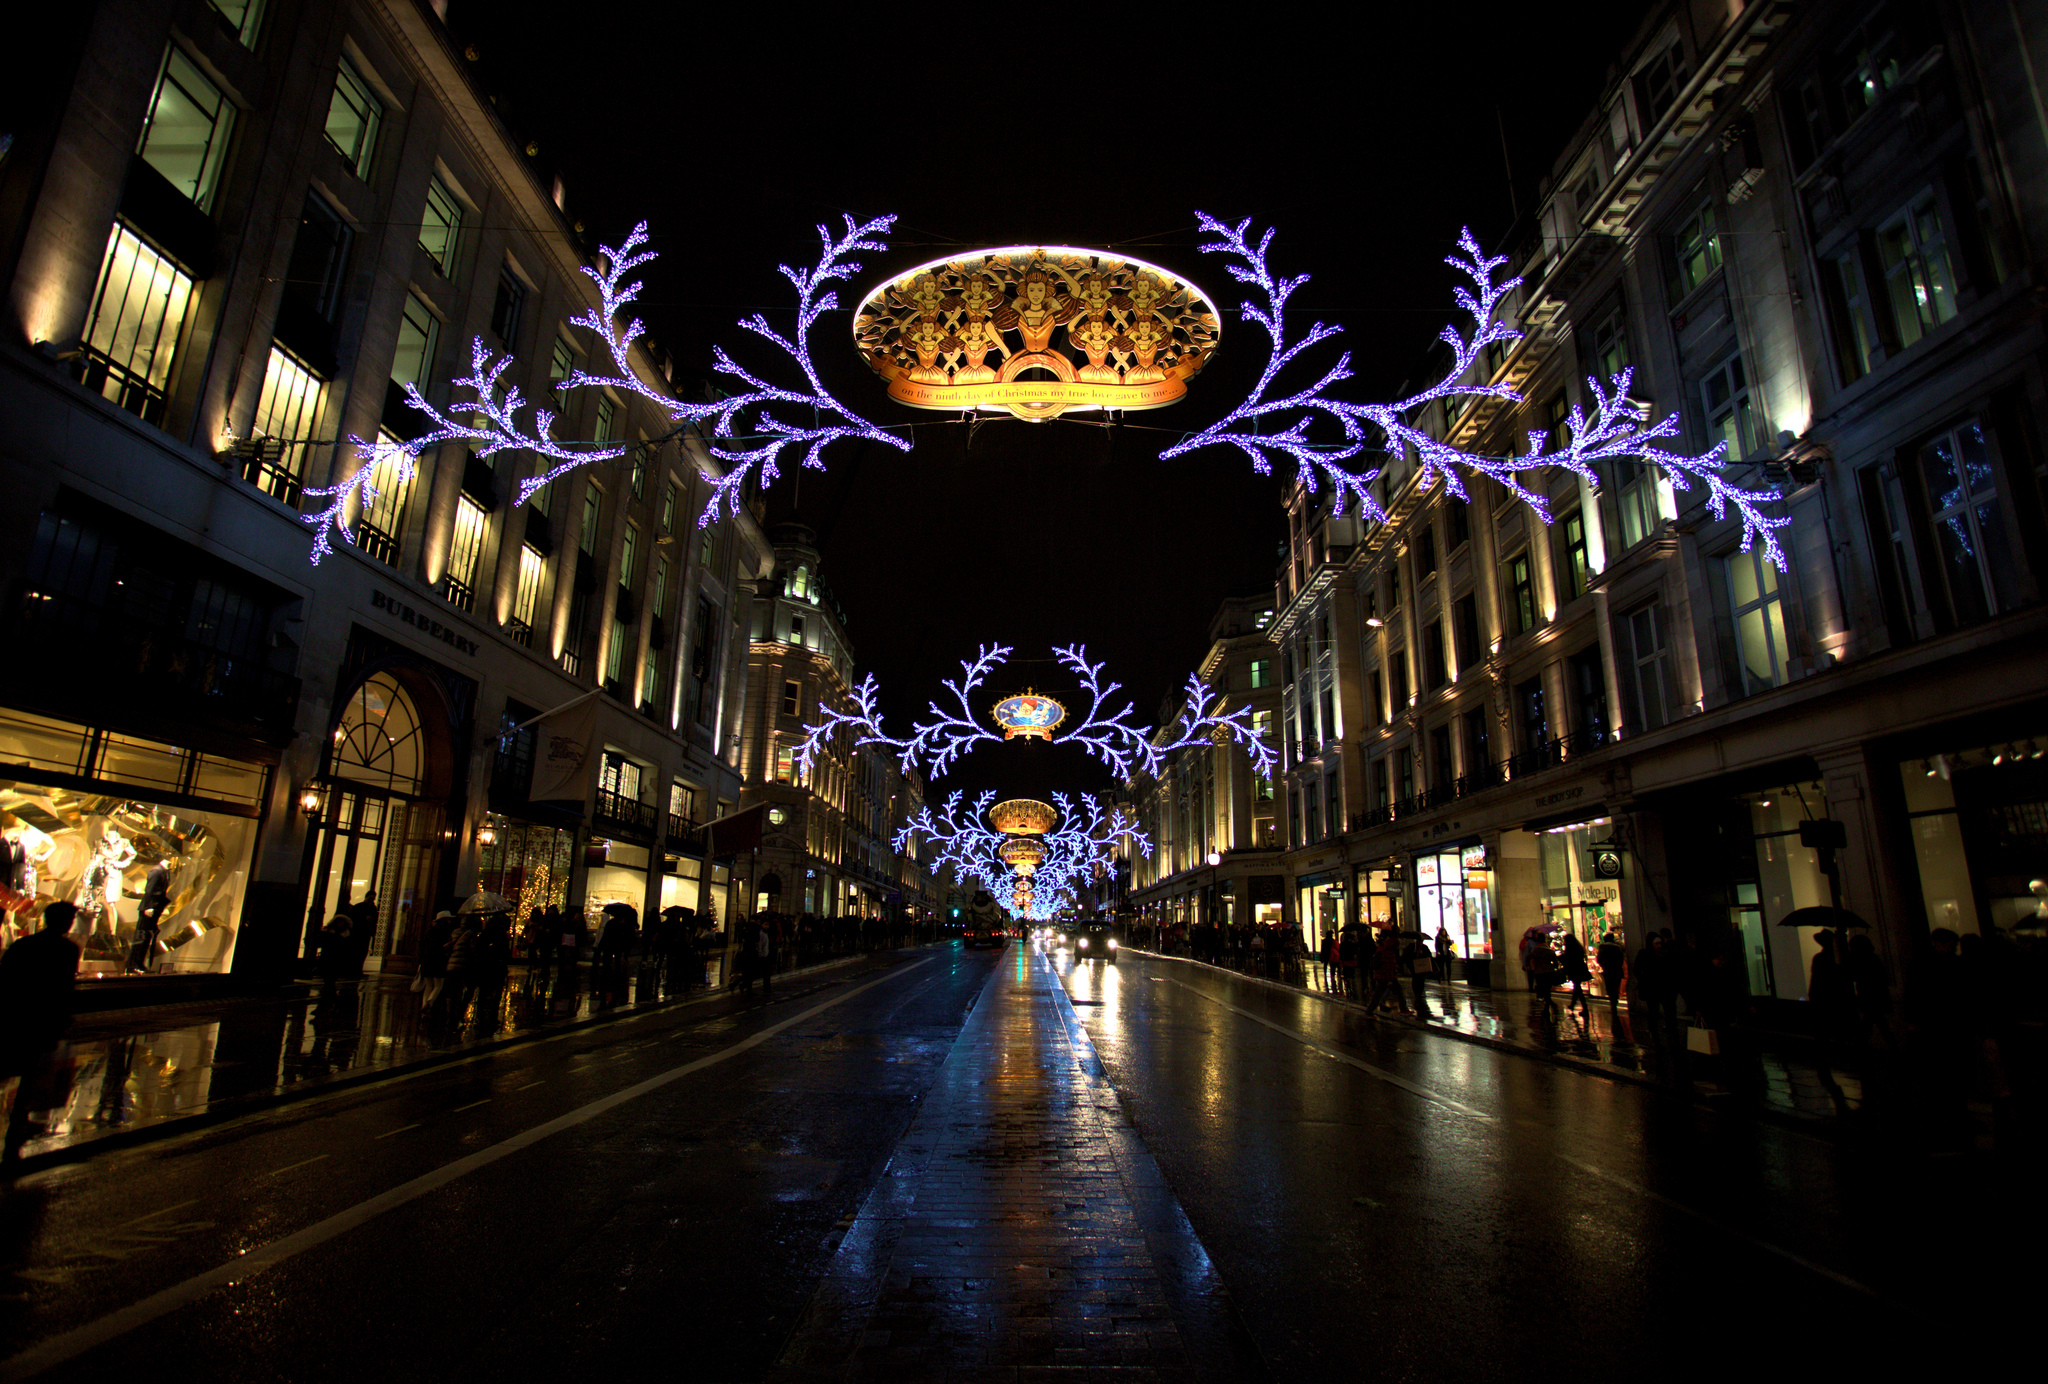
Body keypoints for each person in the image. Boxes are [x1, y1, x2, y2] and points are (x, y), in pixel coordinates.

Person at [2, 901, 82, 1168]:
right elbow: (63, 987)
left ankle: (17, 1122)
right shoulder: (67, 950)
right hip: (44, 1017)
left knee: (11, 1063)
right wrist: (63, 1018)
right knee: (31, 1070)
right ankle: (19, 1119)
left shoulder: (23, 945)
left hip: (17, 1013)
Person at [129, 858, 171, 973]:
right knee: (141, 936)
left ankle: (139, 964)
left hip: (156, 908)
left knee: (147, 937)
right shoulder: (156, 871)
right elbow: (149, 890)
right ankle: (134, 965)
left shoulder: (165, 872)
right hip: (150, 908)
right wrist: (148, 906)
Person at [1366, 928, 1411, 1015]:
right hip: (1387, 976)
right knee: (1398, 991)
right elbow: (1388, 965)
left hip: (1383, 975)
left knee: (1378, 995)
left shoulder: (1383, 948)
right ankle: (1404, 1009)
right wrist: (1390, 978)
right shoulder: (1388, 950)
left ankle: (1370, 1011)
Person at [418, 909, 457, 1006]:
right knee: (438, 985)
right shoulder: (446, 932)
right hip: (439, 961)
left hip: (427, 961)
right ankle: (430, 1002)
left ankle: (424, 1005)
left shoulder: (429, 931)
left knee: (428, 986)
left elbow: (424, 946)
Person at [1596, 931, 1628, 1023]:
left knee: (1610, 987)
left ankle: (1613, 1003)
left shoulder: (1602, 948)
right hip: (1617, 970)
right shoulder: (1617, 948)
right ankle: (1615, 1001)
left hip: (1608, 970)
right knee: (1615, 986)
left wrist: (1603, 965)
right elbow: (1621, 959)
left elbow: (1599, 959)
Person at [1403, 935, 1436, 1020]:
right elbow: (1406, 955)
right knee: (1415, 978)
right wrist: (1413, 954)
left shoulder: (1424, 947)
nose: (1420, 943)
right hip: (1414, 966)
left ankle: (1420, 992)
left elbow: (1428, 956)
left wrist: (1423, 954)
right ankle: (1416, 992)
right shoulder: (1411, 947)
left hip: (1422, 966)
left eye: (1421, 941)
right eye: (1419, 941)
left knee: (1421, 979)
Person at [1560, 932, 1592, 1012]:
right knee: (1577, 987)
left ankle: (1583, 1007)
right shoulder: (1578, 947)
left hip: (1574, 969)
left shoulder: (1570, 948)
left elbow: (1568, 960)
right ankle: (1574, 1005)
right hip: (1580, 968)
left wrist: (1561, 958)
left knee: (1577, 987)